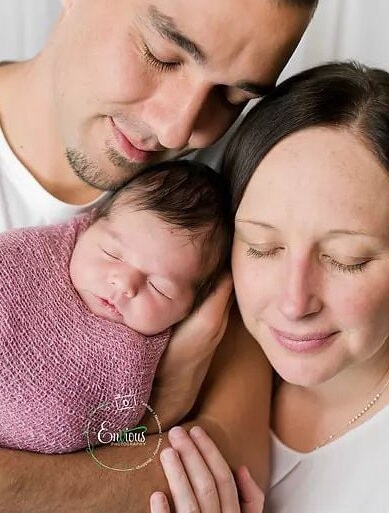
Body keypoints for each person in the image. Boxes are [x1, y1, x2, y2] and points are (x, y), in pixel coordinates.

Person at [0, 0, 325, 509]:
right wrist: (166, 410)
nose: (179, 130)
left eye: (230, 96)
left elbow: (221, 471)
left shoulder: (226, 203)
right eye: (163, 54)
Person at [150, 62, 389, 513]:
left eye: (346, 260)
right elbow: (106, 441)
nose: (295, 303)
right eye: (262, 247)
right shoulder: (200, 344)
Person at [0, 160, 232, 454]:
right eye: (112, 254)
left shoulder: (141, 366)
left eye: (159, 287)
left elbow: (122, 440)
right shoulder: (25, 259)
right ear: (89, 224)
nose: (125, 284)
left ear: (189, 310)